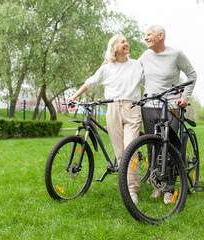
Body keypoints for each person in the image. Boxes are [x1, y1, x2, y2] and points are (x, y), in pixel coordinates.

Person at [67, 34, 144, 204]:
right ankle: (125, 185)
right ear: (114, 47)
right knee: (120, 152)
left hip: (132, 108)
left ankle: (132, 190)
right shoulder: (107, 67)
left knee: (131, 148)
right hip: (112, 108)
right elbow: (92, 82)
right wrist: (73, 96)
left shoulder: (137, 65)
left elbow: (150, 83)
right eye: (122, 42)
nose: (126, 43)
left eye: (126, 41)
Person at [139, 25, 197, 204]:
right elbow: (133, 72)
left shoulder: (176, 54)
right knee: (152, 147)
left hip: (171, 106)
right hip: (149, 105)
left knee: (169, 147)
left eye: (149, 35)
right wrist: (111, 62)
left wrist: (185, 98)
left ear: (160, 36)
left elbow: (191, 74)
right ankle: (157, 184)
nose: (146, 38)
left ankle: (169, 189)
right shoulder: (145, 56)